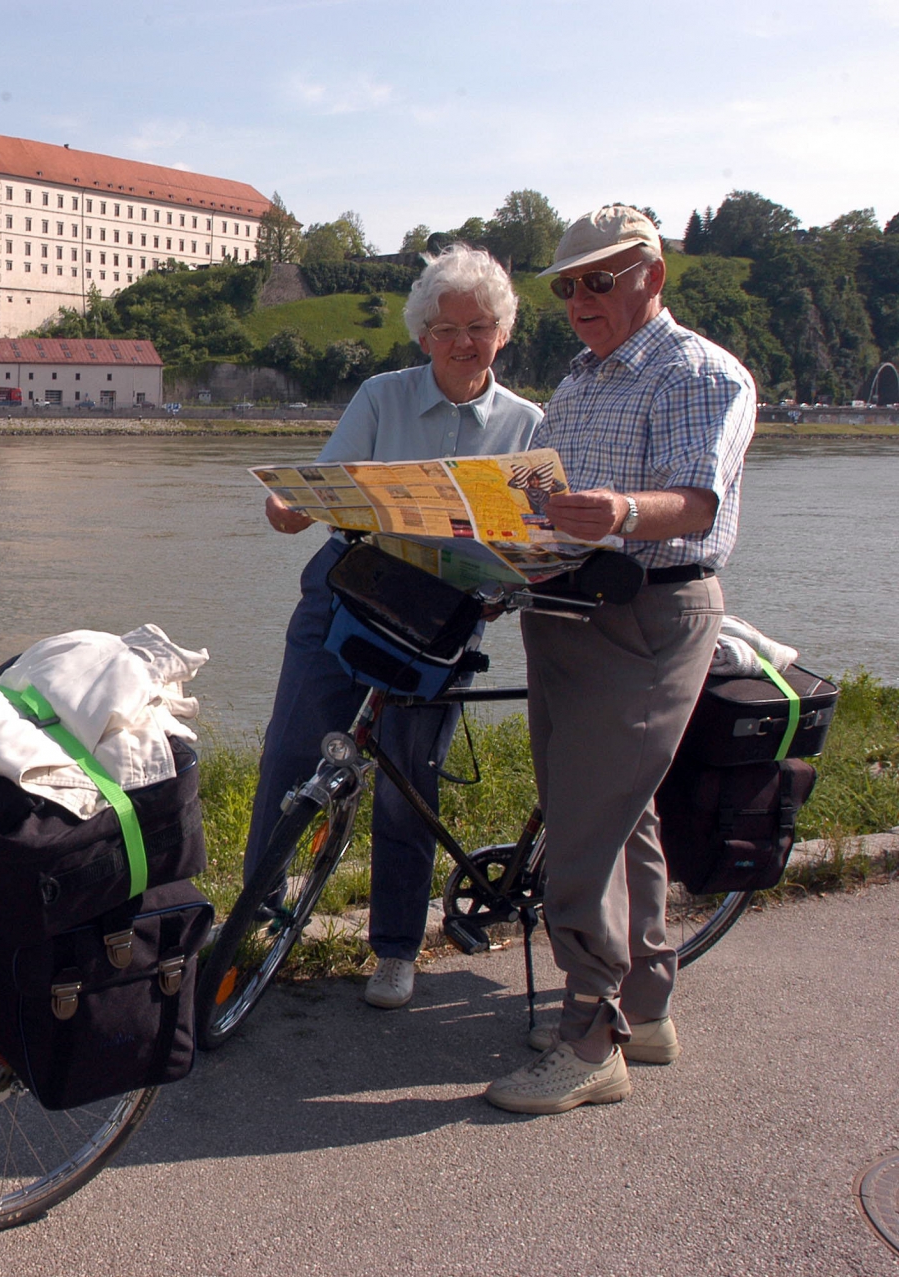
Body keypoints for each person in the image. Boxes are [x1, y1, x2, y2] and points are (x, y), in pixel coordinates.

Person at [483, 205, 754, 1115]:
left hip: (647, 612)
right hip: (563, 609)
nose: (579, 298)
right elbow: (543, 486)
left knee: (586, 831)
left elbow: (696, 500)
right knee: (613, 810)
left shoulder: (697, 372)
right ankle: (648, 1004)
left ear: (653, 275)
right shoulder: (579, 376)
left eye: (600, 279)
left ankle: (589, 1038)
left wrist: (624, 511)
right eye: (567, 284)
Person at [248, 245, 542, 1010]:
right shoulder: (382, 396)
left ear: (502, 333)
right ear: (423, 336)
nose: (463, 342)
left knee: (409, 787)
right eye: (447, 329)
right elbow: (325, 488)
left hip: (441, 624)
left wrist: (513, 577)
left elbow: (531, 545)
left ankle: (396, 949)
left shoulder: (527, 425)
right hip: (348, 595)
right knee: (288, 753)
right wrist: (290, 510)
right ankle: (254, 919)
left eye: (479, 327)